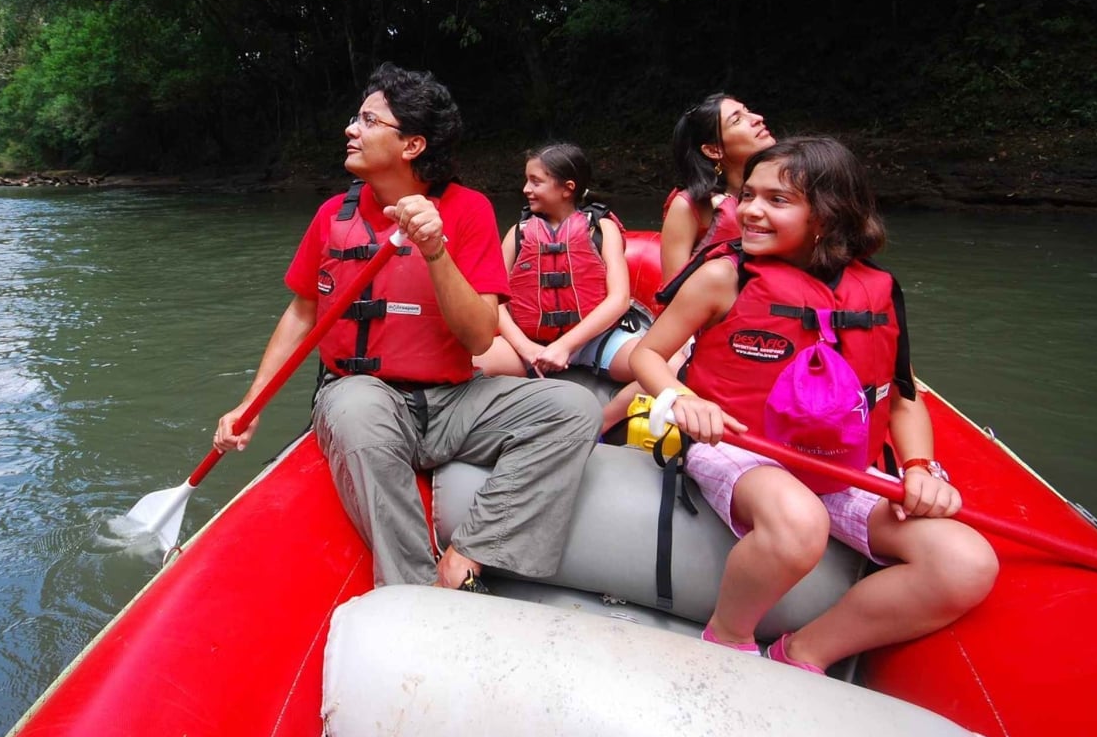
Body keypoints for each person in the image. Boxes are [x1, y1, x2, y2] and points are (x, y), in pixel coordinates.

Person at [214, 64, 602, 590]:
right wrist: (251, 403)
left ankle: (467, 555)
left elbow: (479, 337)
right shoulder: (332, 215)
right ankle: (416, 590)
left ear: (413, 145)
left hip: (452, 401)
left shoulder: (468, 210)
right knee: (358, 407)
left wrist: (435, 250)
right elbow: (303, 314)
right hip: (360, 393)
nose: (351, 129)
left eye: (368, 120)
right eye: (357, 118)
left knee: (574, 406)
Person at [628, 136, 997, 673]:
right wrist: (683, 399)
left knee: (965, 562)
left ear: (828, 214)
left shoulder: (876, 290)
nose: (750, 210)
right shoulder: (723, 277)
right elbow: (648, 355)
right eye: (749, 195)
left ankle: (804, 652)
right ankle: (727, 638)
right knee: (800, 522)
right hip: (736, 445)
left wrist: (920, 468)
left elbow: (902, 397)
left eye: (776, 200)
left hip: (838, 466)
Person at [474, 143, 641, 382]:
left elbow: (619, 299)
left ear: (567, 188)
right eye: (527, 180)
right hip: (530, 345)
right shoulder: (517, 234)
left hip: (595, 341)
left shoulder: (602, 229)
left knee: (664, 365)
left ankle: (610, 409)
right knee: (465, 362)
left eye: (535, 182)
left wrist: (564, 346)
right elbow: (493, 301)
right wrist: (525, 347)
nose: (526, 189)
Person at [659, 93, 776, 286]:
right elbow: (671, 290)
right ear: (714, 150)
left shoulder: (785, 190)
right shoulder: (689, 206)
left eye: (748, 111)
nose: (757, 118)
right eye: (737, 120)